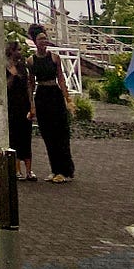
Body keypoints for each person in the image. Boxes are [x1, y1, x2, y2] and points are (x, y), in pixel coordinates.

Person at [29, 26, 75, 182]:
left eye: (45, 38)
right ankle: (54, 169)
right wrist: (32, 105)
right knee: (48, 134)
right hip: (42, 96)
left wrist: (67, 99)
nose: (44, 41)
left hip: (54, 94)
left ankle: (64, 170)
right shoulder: (31, 61)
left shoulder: (55, 58)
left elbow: (61, 80)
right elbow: (31, 84)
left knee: (60, 133)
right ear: (34, 41)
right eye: (40, 39)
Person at [6, 40, 35, 182]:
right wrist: (12, 75)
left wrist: (32, 105)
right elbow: (6, 87)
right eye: (17, 50)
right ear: (11, 51)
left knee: (26, 136)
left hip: (24, 104)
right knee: (15, 137)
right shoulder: (5, 67)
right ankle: (17, 170)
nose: (20, 53)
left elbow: (28, 86)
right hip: (12, 105)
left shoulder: (23, 67)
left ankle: (29, 170)